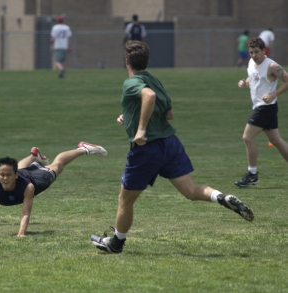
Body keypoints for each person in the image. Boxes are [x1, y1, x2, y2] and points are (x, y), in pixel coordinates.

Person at [90, 41, 254, 254]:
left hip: (147, 149)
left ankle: (116, 244)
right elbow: (169, 114)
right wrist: (130, 116)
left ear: (127, 61)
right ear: (146, 61)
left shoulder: (132, 82)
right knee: (191, 191)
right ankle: (221, 197)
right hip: (170, 144)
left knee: (125, 200)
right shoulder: (154, 80)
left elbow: (148, 96)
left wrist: (139, 130)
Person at [0, 142, 107, 237]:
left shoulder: (28, 187)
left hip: (37, 180)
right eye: (2, 175)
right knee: (19, 167)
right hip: (21, 173)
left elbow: (26, 212)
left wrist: (21, 233)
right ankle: (34, 156)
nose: (5, 178)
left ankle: (82, 149)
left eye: (8, 175)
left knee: (58, 165)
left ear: (15, 175)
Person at [234, 37, 288, 187]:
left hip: (266, 108)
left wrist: (273, 95)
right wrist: (245, 82)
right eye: (251, 52)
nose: (253, 55)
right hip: (260, 107)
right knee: (276, 141)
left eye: (256, 52)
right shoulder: (251, 62)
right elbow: (254, 76)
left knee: (247, 137)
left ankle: (252, 174)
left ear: (264, 51)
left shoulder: (271, 65)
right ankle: (252, 175)